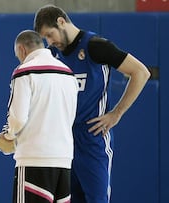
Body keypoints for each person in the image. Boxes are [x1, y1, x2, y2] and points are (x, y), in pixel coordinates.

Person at [34, 4, 151, 203]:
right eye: (45, 38)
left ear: (61, 22)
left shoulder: (96, 46)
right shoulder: (52, 55)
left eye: (50, 34)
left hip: (92, 137)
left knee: (97, 199)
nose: (50, 41)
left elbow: (141, 72)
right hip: (63, 141)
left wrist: (117, 113)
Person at [1, 30, 78, 203]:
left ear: (21, 49)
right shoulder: (68, 73)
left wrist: (8, 135)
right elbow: (70, 116)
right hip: (64, 159)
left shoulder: (24, 71)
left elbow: (18, 118)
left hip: (33, 158)